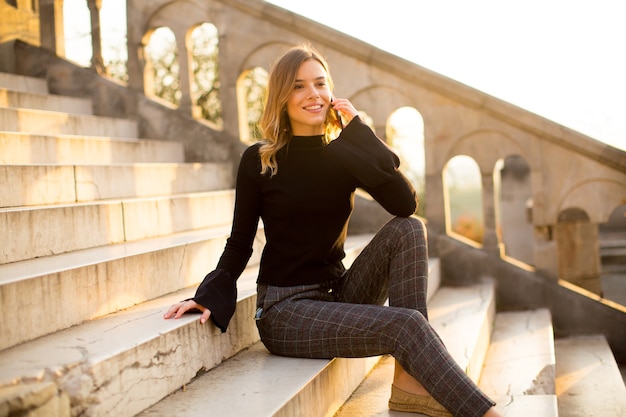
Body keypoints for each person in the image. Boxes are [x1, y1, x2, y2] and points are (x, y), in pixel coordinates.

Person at [165, 43, 503, 417]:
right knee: (406, 324)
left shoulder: (342, 154)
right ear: (281, 96)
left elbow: (405, 205)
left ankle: (410, 379)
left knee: (408, 230)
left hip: (339, 293)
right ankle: (485, 414)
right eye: (298, 86)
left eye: (320, 84)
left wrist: (359, 131)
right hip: (286, 310)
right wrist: (208, 293)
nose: (313, 94)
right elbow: (240, 241)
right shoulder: (261, 160)